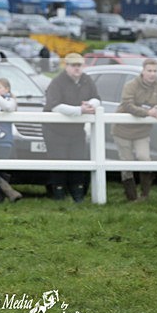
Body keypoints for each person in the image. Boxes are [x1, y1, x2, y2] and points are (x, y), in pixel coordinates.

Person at [42, 52, 100, 202]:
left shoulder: (87, 80)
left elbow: (97, 98)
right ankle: (58, 196)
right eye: (73, 65)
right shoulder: (57, 82)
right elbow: (54, 106)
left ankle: (78, 196)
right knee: (59, 162)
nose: (77, 69)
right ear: (66, 66)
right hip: (55, 131)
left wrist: (91, 104)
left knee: (78, 161)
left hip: (76, 131)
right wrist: (80, 110)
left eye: (79, 65)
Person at [112, 58, 157, 202]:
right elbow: (127, 105)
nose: (152, 74)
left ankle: (144, 196)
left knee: (144, 158)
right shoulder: (131, 85)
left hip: (142, 132)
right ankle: (131, 197)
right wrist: (148, 113)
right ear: (143, 71)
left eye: (155, 71)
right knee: (127, 162)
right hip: (122, 131)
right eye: (149, 71)